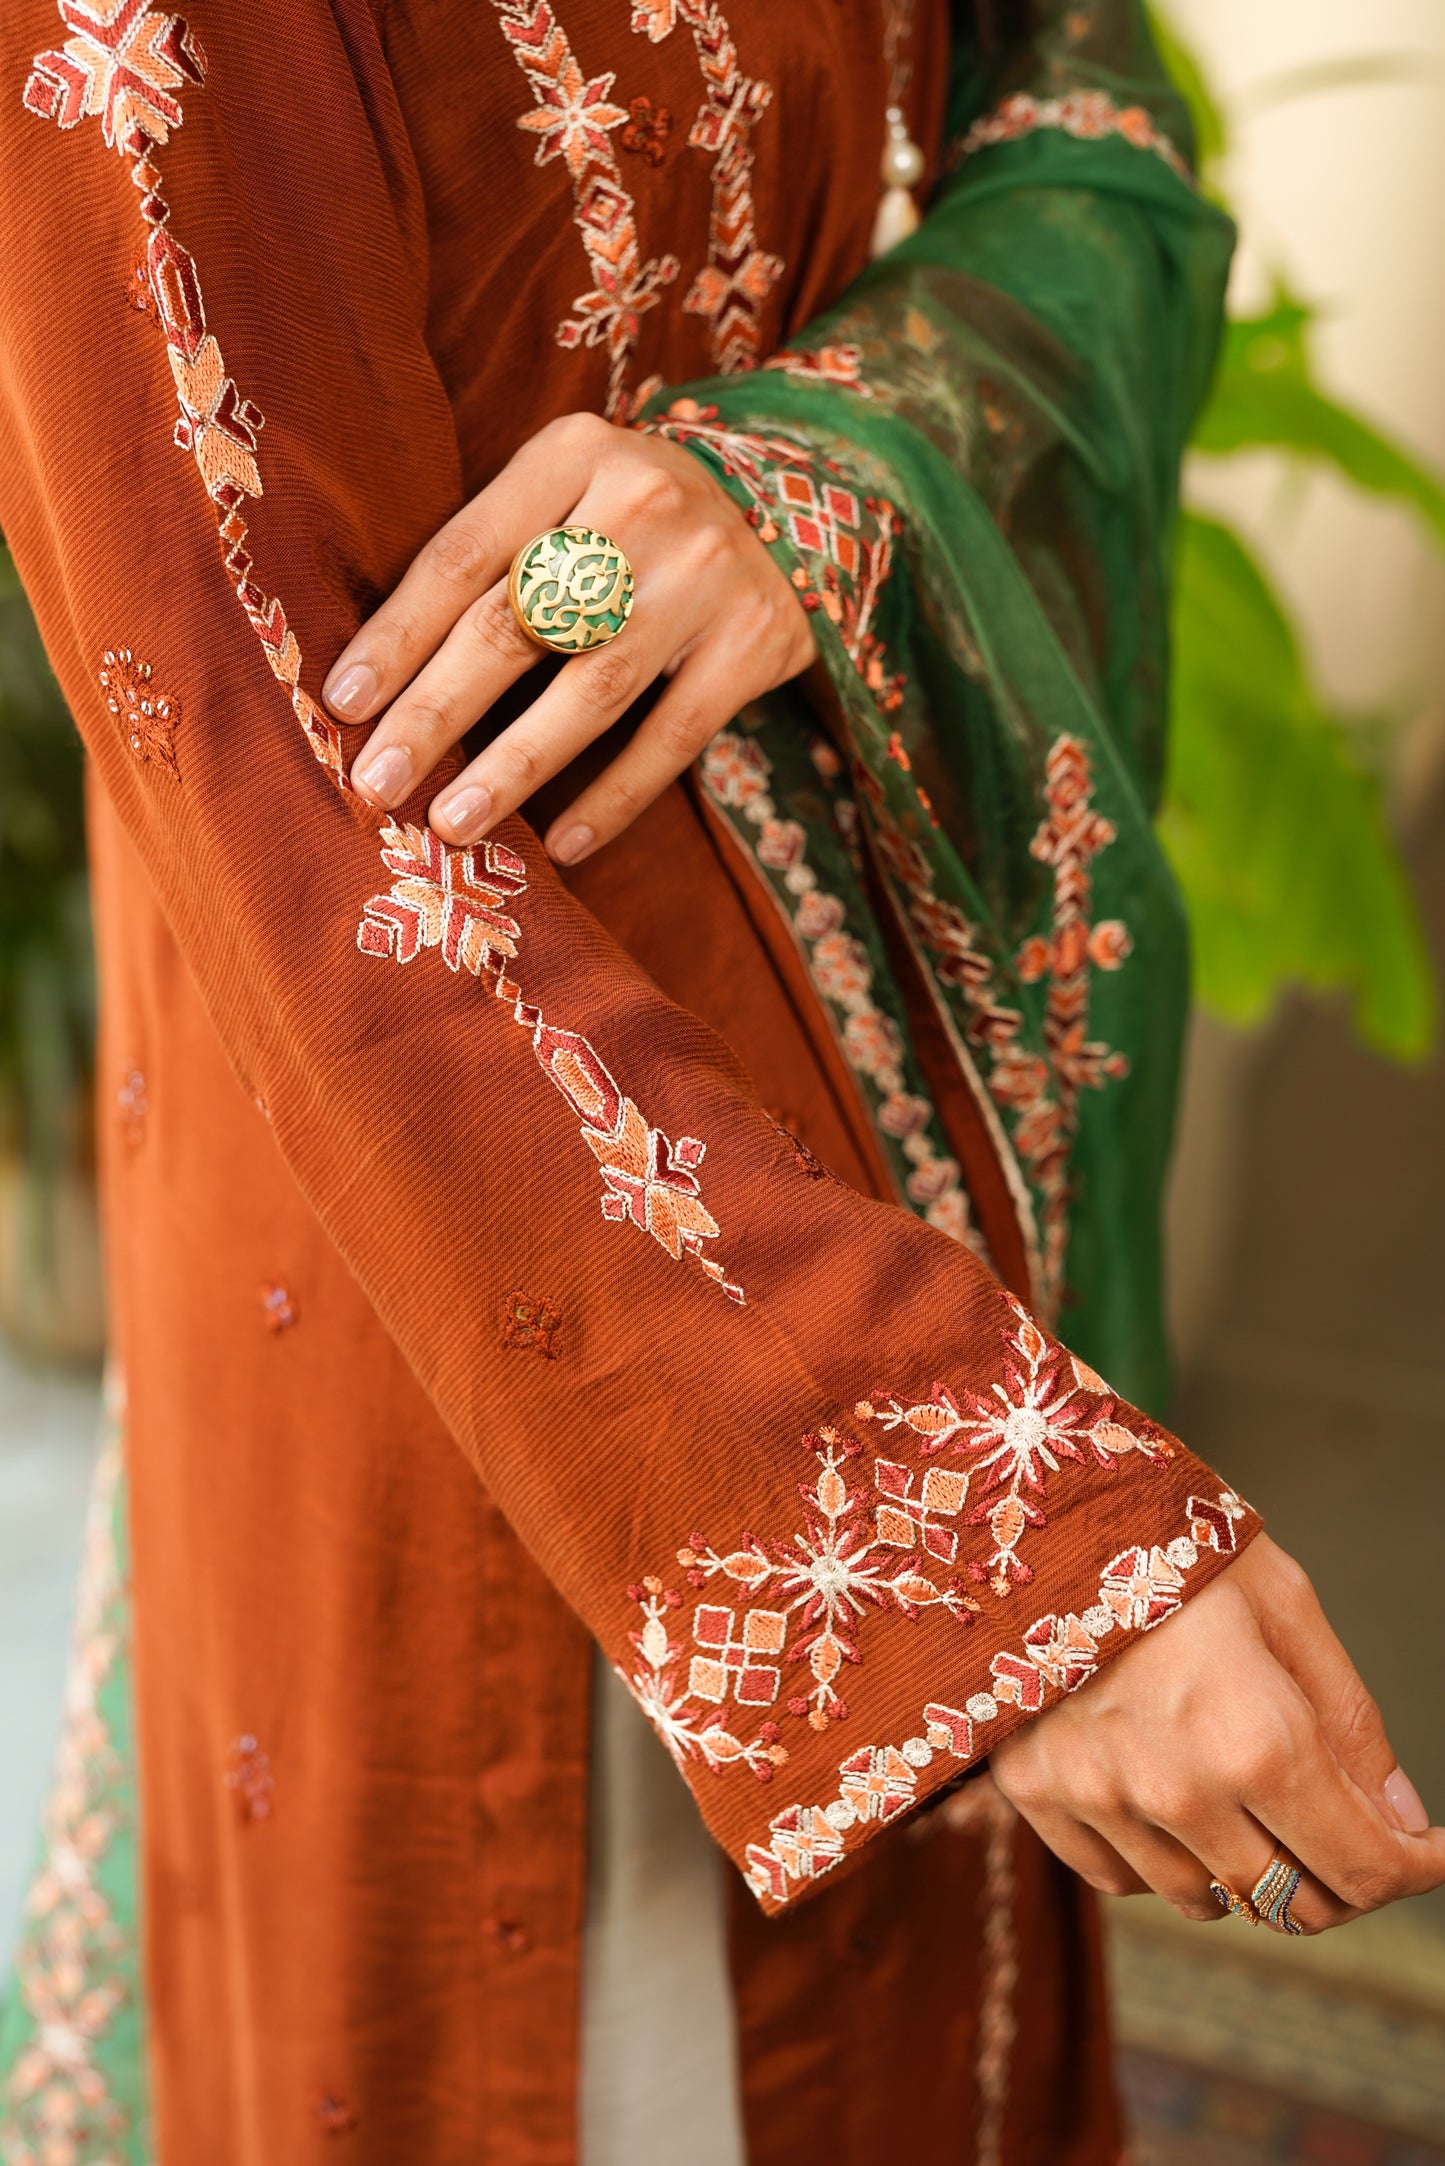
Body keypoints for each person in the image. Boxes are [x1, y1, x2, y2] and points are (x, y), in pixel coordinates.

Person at [0, 0, 1440, 2159]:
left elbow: (1085, 97)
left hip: (885, 1022)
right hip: (463, 1156)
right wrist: (980, 1532)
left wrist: (799, 476)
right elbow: (295, 770)